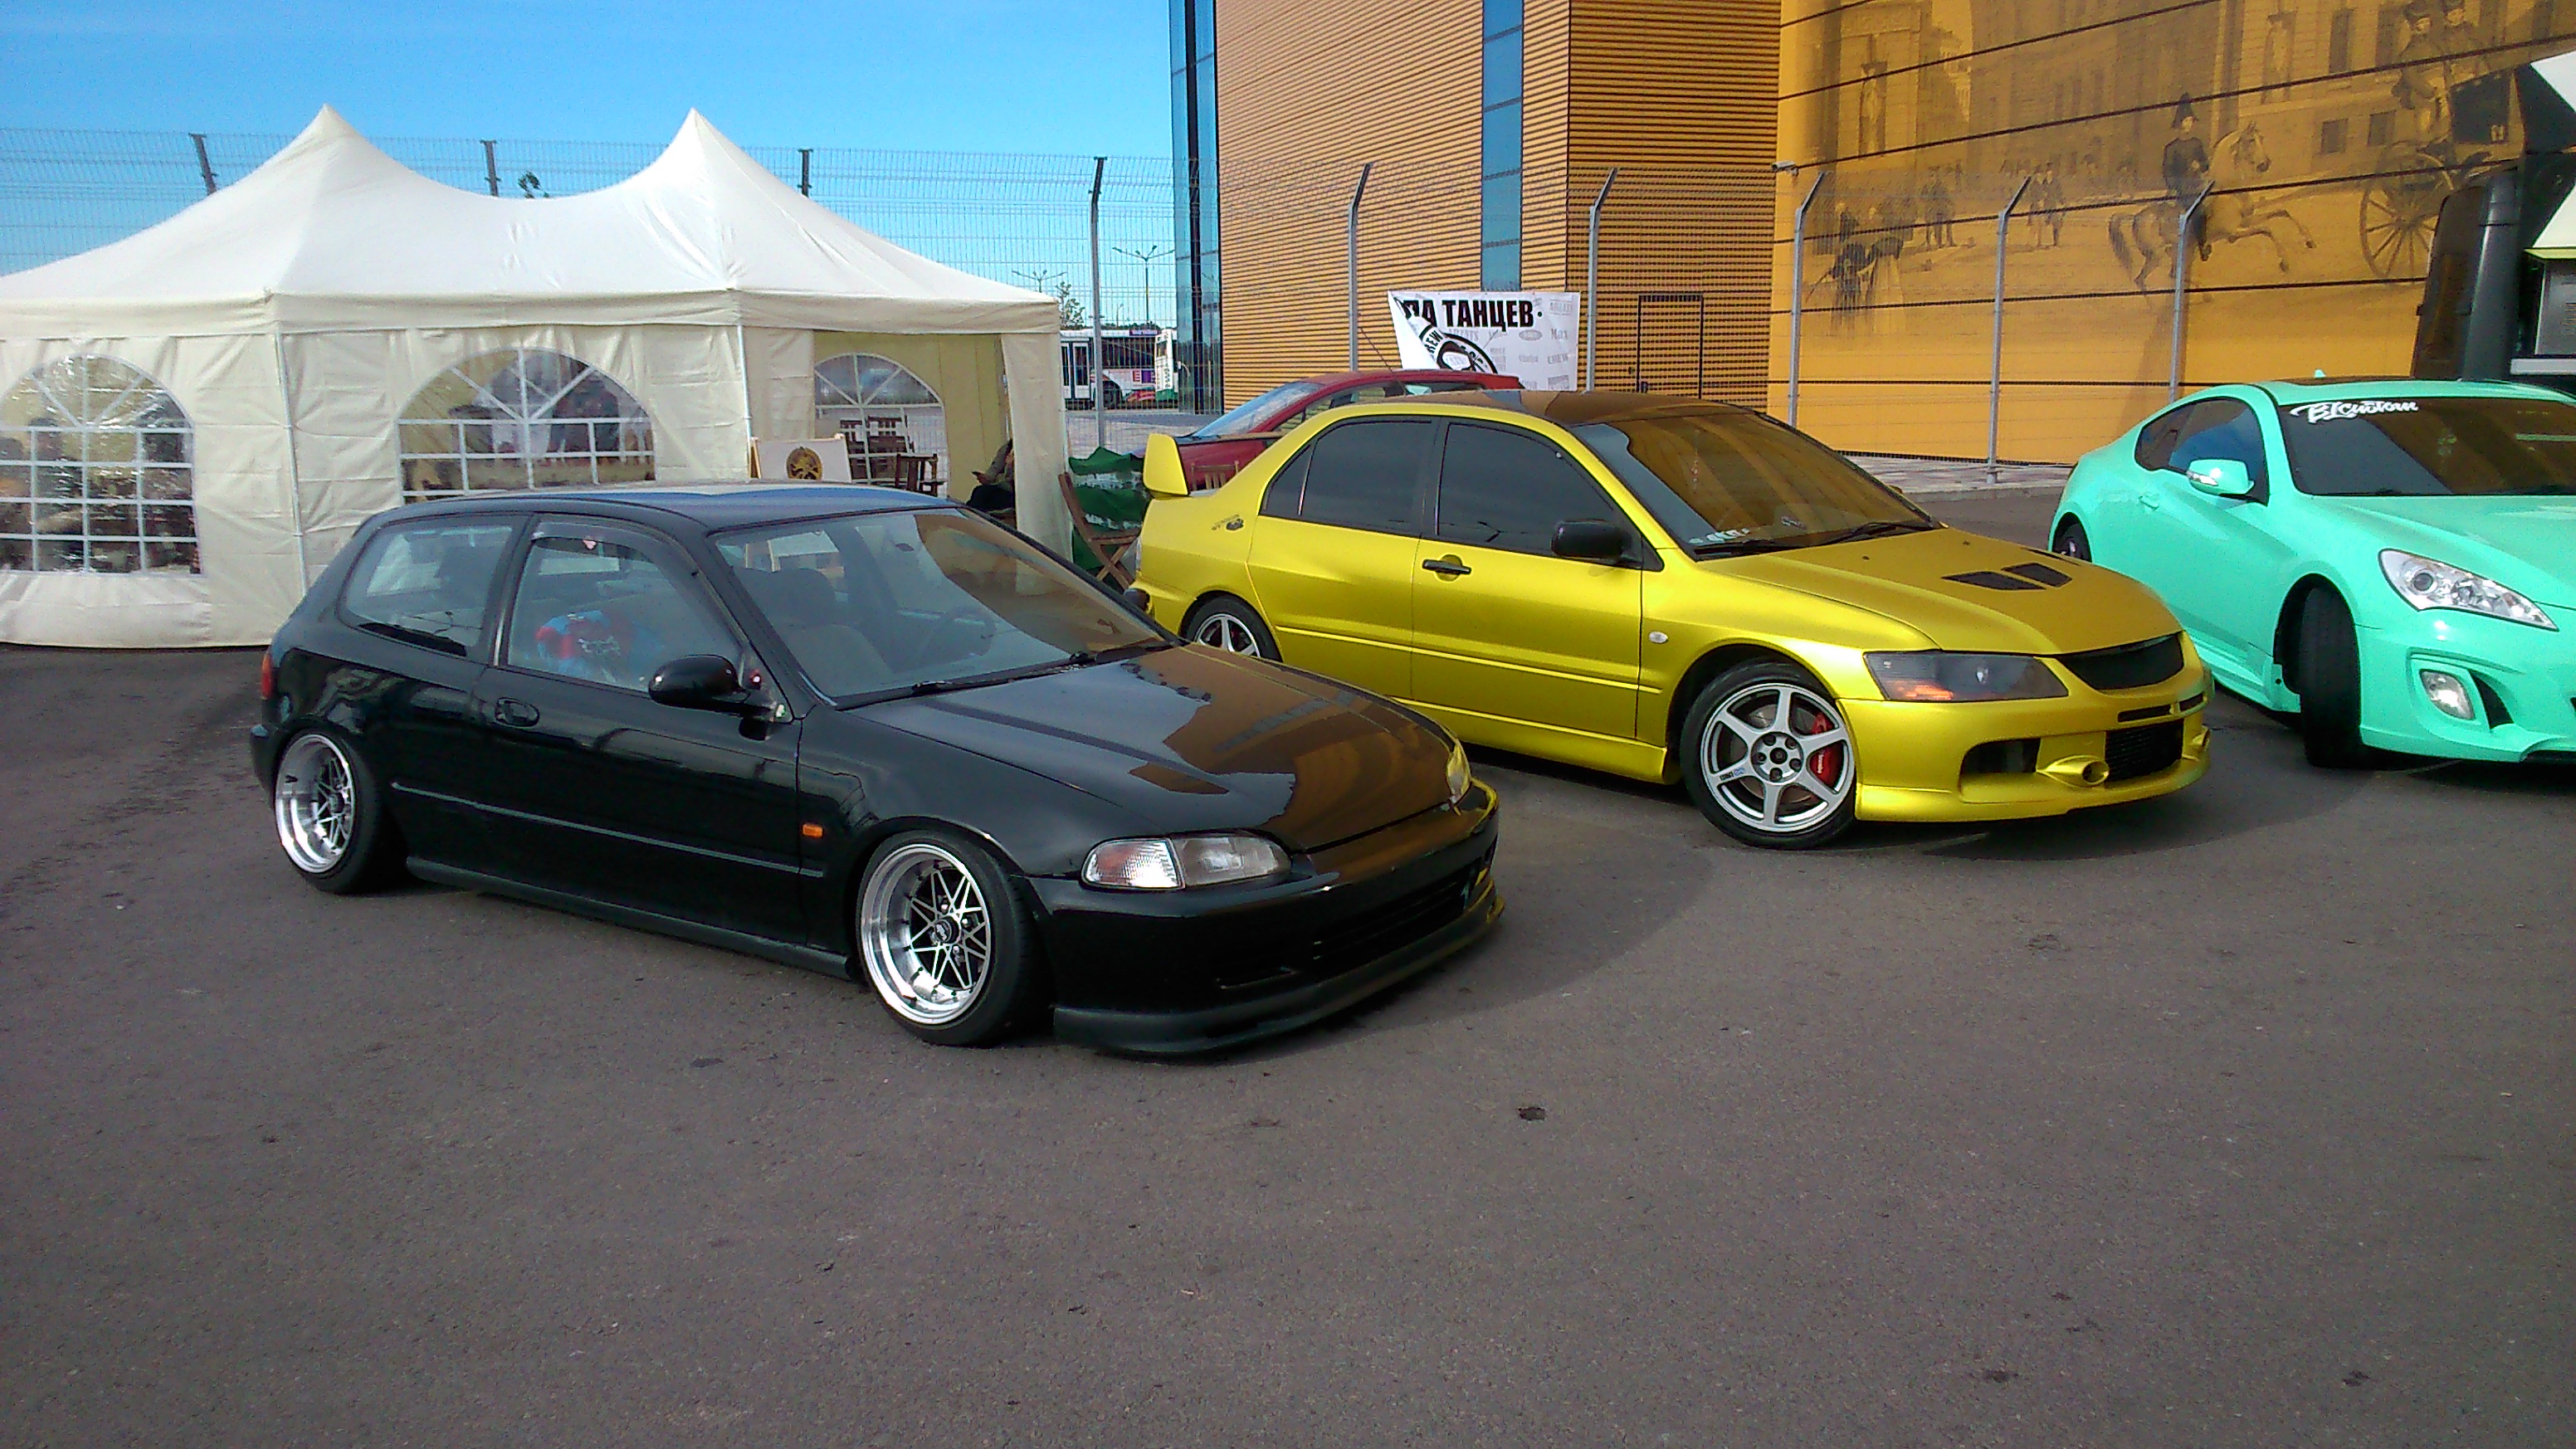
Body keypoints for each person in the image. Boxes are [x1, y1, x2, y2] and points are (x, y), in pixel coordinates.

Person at [2163, 96, 2213, 260]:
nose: (2190, 124)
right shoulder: (2172, 148)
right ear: (2180, 123)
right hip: (2182, 190)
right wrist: (2173, 187)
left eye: (2191, 121)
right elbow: (2168, 171)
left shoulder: (2196, 144)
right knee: (2199, 212)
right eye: (2187, 121)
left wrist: (2200, 165)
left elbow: (2206, 164)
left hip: (2198, 185)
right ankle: (2202, 245)